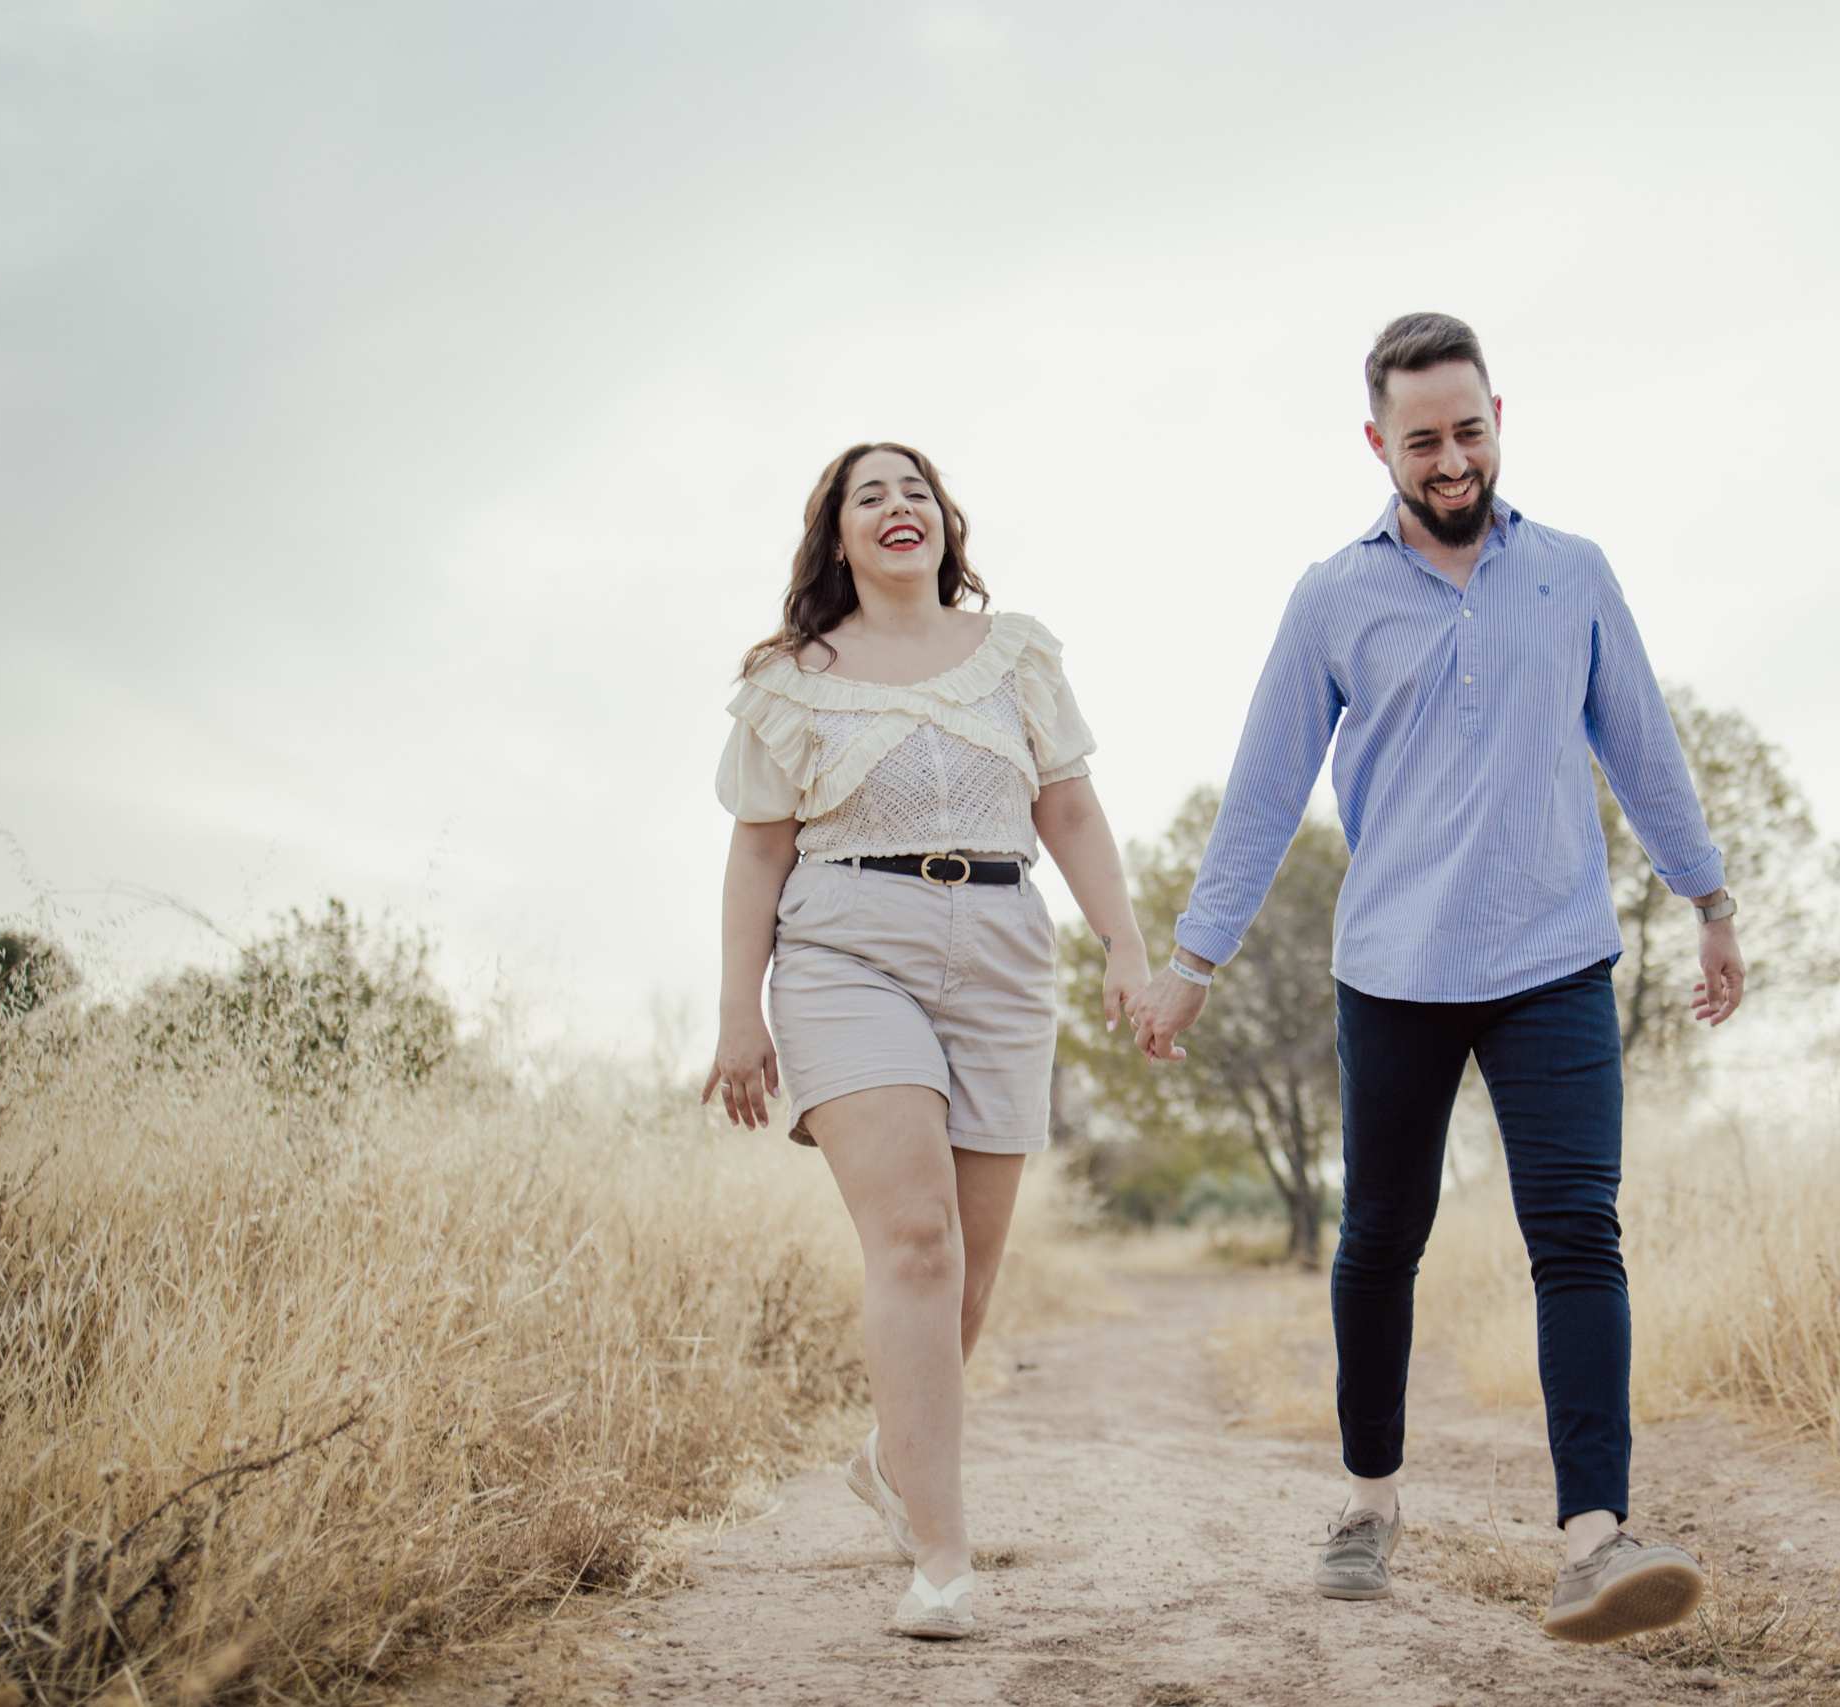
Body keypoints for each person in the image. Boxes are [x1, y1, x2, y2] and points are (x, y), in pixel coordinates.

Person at [1124, 314, 1744, 1645]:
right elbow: (1267, 787)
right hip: (1394, 969)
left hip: (1553, 956)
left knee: (1576, 1231)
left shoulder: (1570, 573)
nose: (1451, 457)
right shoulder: (1331, 595)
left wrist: (1709, 899)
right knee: (1379, 1239)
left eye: (1470, 430)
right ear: (1378, 444)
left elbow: (1643, 741)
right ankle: (1369, 1499)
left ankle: (1594, 1535)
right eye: (1423, 439)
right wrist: (1192, 961)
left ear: (1498, 419)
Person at [705, 441, 1146, 1641]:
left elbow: (1069, 806)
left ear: (946, 524)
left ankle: (896, 1461)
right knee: (913, 1238)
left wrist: (1126, 943)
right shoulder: (791, 680)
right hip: (849, 943)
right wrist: (739, 1010)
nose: (898, 508)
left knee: (971, 1267)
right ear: (836, 538)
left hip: (1004, 946)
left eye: (916, 491)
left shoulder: (1018, 655)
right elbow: (756, 851)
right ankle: (941, 1562)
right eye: (869, 496)